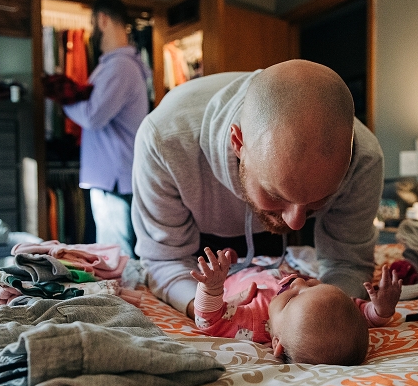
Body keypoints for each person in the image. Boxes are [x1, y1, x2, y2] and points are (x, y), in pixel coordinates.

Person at [131, 59, 384, 318]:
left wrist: (318, 316)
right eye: (276, 194)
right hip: (199, 245)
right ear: (238, 142)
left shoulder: (363, 159)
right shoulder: (163, 140)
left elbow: (348, 263)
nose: (296, 223)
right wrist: (206, 309)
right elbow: (165, 260)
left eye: (320, 200)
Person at [190, 248, 402, 365]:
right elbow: (360, 312)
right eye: (314, 284)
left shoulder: (254, 322)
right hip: (273, 268)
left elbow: (210, 320)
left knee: (224, 266)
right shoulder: (328, 309)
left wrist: (211, 288)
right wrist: (380, 311)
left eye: (291, 299)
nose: (298, 282)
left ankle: (233, 263)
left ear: (276, 343)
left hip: (235, 277)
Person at [59, 0, 150, 258]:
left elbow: (93, 115)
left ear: (103, 19)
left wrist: (65, 100)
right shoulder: (115, 66)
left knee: (117, 259)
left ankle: (123, 301)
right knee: (114, 254)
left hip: (114, 177)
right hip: (112, 174)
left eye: (92, 23)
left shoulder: (120, 67)